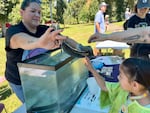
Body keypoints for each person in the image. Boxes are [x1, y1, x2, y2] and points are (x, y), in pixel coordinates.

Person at [5, 0, 66, 103]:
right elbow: (20, 40)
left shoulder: (44, 30)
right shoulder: (13, 31)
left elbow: (65, 39)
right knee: (34, 105)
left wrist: (80, 47)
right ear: (21, 12)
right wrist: (38, 42)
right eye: (33, 11)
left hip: (39, 76)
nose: (37, 15)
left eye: (39, 12)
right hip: (19, 81)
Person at [84, 57, 150, 113]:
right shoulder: (124, 89)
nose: (118, 77)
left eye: (121, 76)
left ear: (135, 85)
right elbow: (104, 86)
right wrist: (92, 69)